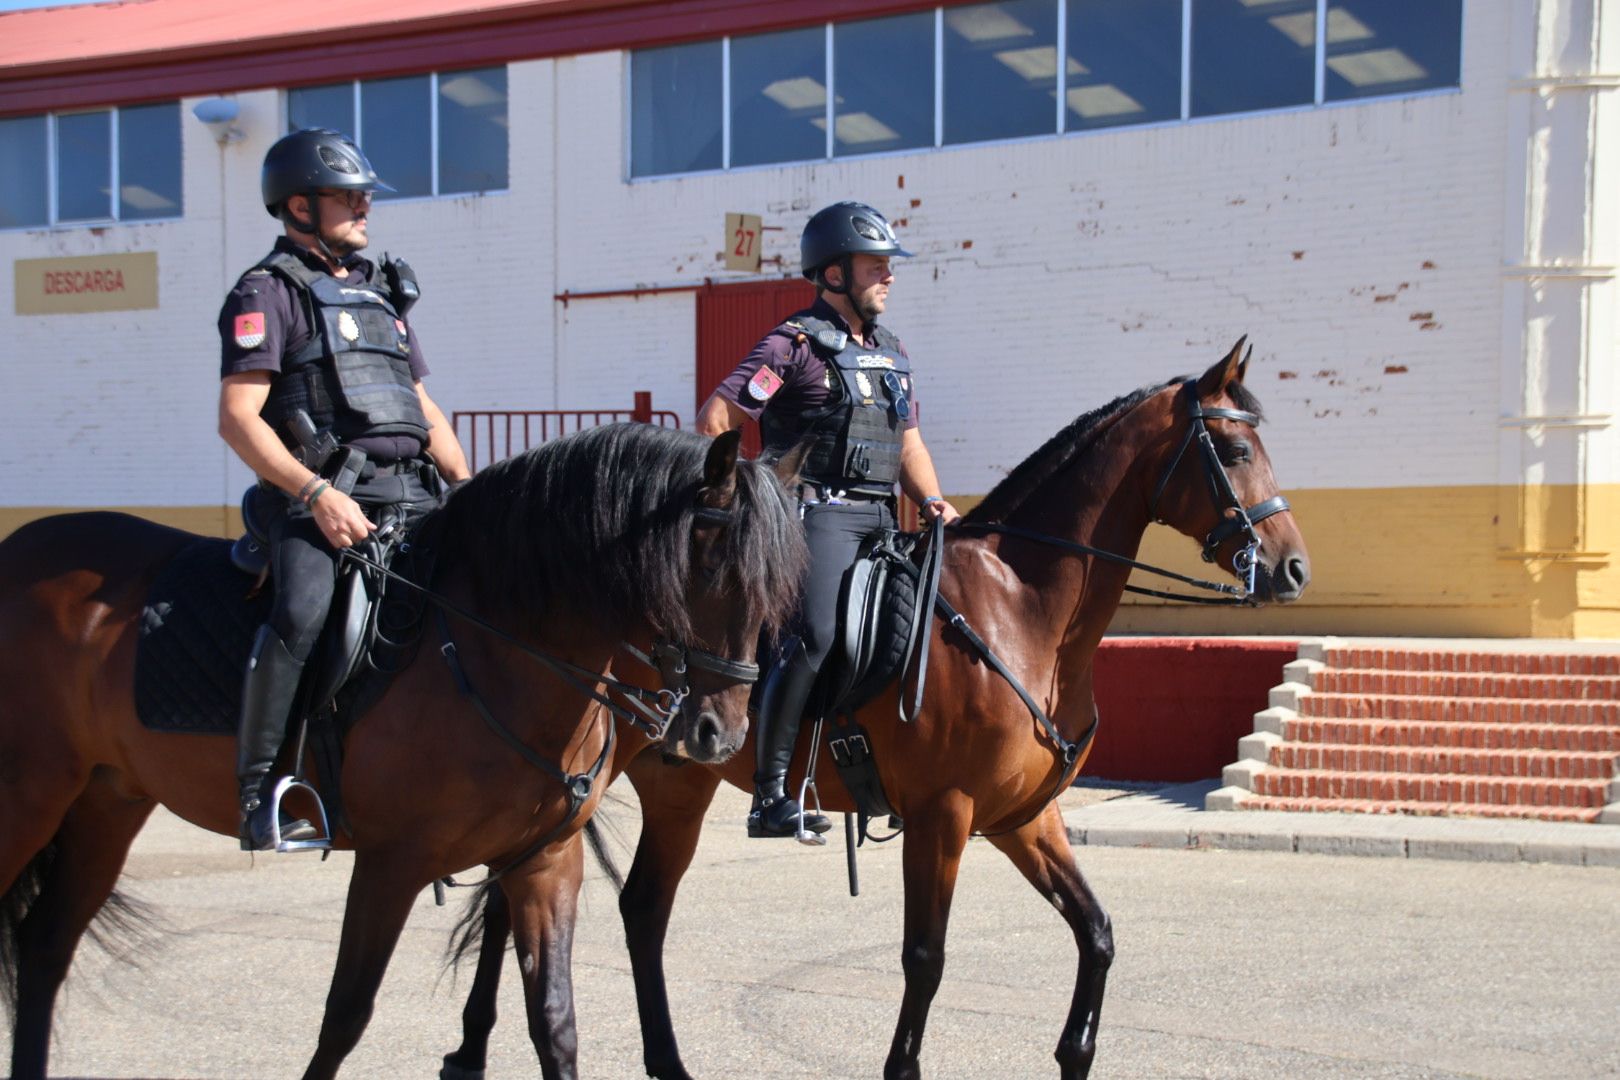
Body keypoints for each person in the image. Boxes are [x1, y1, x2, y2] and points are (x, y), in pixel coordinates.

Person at [217, 128, 471, 851]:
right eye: (347, 195)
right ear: (298, 206)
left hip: (411, 494)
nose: (364, 205)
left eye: (364, 194)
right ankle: (262, 792)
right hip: (317, 501)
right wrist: (314, 496)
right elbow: (238, 419)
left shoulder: (380, 290)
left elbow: (424, 408)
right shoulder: (266, 293)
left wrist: (470, 489)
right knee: (302, 610)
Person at [697, 201, 959, 838]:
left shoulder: (892, 353)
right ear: (835, 274)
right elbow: (718, 420)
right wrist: (750, 503)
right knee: (817, 636)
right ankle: (768, 794)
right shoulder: (792, 346)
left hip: (883, 517)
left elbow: (911, 444)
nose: (888, 277)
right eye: (876, 266)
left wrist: (933, 501)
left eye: (888, 267)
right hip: (816, 515)